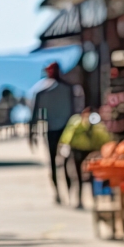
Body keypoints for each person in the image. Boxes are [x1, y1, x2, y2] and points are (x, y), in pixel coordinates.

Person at [30, 62, 81, 204]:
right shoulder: (66, 89)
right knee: (65, 162)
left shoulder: (43, 91)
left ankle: (61, 193)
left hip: (58, 130)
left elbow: (35, 116)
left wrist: (32, 134)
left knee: (56, 162)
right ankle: (65, 192)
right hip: (64, 130)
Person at [58, 107, 110, 209]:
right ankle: (79, 199)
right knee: (77, 177)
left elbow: (103, 138)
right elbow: (68, 134)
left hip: (90, 152)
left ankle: (94, 200)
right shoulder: (76, 122)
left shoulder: (96, 124)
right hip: (77, 151)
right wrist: (64, 145)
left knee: (92, 177)